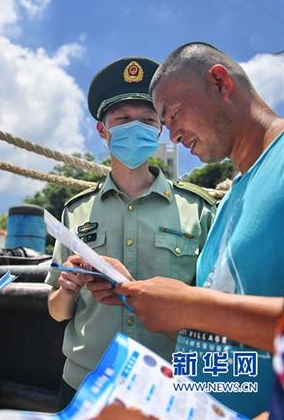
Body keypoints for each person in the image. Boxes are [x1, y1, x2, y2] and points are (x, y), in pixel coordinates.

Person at [87, 42, 284, 417]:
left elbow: (209, 313)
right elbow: (231, 351)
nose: (171, 137)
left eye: (172, 115)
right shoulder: (228, 202)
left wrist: (191, 306)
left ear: (220, 83)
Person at [45, 57, 216, 409]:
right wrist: (66, 289)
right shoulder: (75, 211)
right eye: (123, 119)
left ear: (160, 129)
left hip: (167, 387)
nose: (135, 128)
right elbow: (58, 311)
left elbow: (215, 313)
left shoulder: (198, 210)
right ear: (102, 129)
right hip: (85, 382)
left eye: (147, 119)